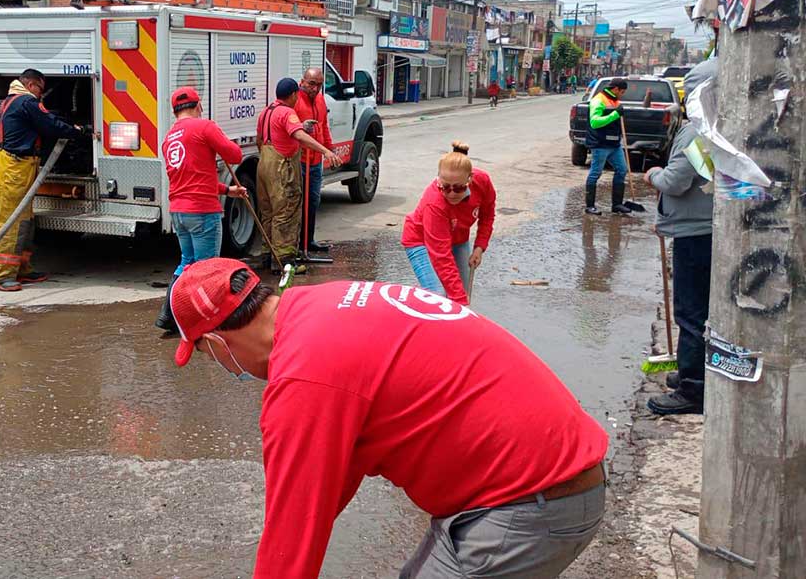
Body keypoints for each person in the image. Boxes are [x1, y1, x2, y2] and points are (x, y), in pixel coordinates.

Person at [167, 258, 609, 578]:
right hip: (551, 482)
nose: (220, 366)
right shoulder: (321, 304)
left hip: (530, 503)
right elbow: (324, 486)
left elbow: (291, 539)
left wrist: (294, 531)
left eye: (206, 354)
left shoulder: (303, 380)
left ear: (217, 341)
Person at [643, 56, 718, 416]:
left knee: (690, 312)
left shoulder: (697, 130)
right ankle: (693, 372)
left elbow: (676, 180)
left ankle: (694, 388)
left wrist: (654, 174)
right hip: (706, 225)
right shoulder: (722, 125)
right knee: (699, 309)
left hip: (695, 232)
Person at [153, 86, 246, 334]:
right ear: (197, 106)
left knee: (188, 263)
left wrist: (227, 191)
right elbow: (235, 155)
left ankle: (169, 315)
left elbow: (192, 178)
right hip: (203, 211)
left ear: (175, 111)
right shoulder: (205, 126)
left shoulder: (169, 138)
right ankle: (204, 321)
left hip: (180, 212)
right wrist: (220, 139)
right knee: (207, 269)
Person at [0, 69, 92, 291]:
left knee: (25, 220)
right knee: (11, 221)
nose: (41, 94)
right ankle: (1, 275)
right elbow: (50, 125)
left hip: (18, 165)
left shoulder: (15, 100)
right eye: (40, 89)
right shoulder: (26, 102)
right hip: (14, 168)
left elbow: (46, 119)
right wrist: (79, 131)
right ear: (31, 84)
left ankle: (22, 269)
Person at [254, 78, 340, 272]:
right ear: (293, 95)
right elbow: (299, 136)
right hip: (281, 169)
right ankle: (285, 263)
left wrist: (301, 126)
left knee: (268, 213)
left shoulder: (266, 112)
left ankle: (268, 256)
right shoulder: (287, 112)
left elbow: (261, 139)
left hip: (263, 167)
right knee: (286, 212)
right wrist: (326, 151)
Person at [400, 141, 495, 305]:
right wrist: (460, 303)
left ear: (470, 179)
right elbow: (441, 257)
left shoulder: (482, 182)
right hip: (420, 240)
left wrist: (479, 247)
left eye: (458, 188)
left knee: (460, 293)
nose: (451, 193)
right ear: (439, 180)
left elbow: (487, 215)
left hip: (457, 238)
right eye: (445, 187)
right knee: (439, 297)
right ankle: (425, 322)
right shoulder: (434, 203)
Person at [294, 67, 333, 257]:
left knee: (314, 201)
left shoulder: (320, 99)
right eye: (312, 84)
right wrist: (302, 127)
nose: (315, 88)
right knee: (299, 203)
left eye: (319, 84)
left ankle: (308, 241)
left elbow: (324, 125)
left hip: (315, 160)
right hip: (300, 159)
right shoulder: (295, 100)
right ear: (302, 82)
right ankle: (297, 244)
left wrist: (329, 149)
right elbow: (289, 127)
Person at [583, 78, 630, 216]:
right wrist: (615, 114)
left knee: (622, 170)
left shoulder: (615, 100)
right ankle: (590, 206)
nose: (622, 94)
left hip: (614, 144)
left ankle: (617, 204)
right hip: (600, 144)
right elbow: (595, 122)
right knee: (595, 173)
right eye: (622, 92)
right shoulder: (599, 100)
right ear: (615, 89)